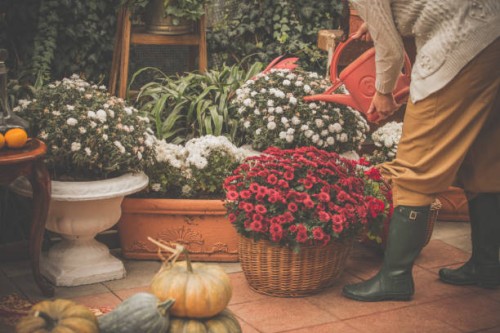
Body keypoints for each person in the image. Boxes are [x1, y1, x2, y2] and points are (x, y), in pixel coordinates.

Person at [341, 0, 500, 302]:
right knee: (485, 157)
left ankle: (396, 277)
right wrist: (376, 21)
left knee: (415, 166)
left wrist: (384, 90)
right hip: (492, 32)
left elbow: (389, 48)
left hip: (462, 38)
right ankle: (488, 264)